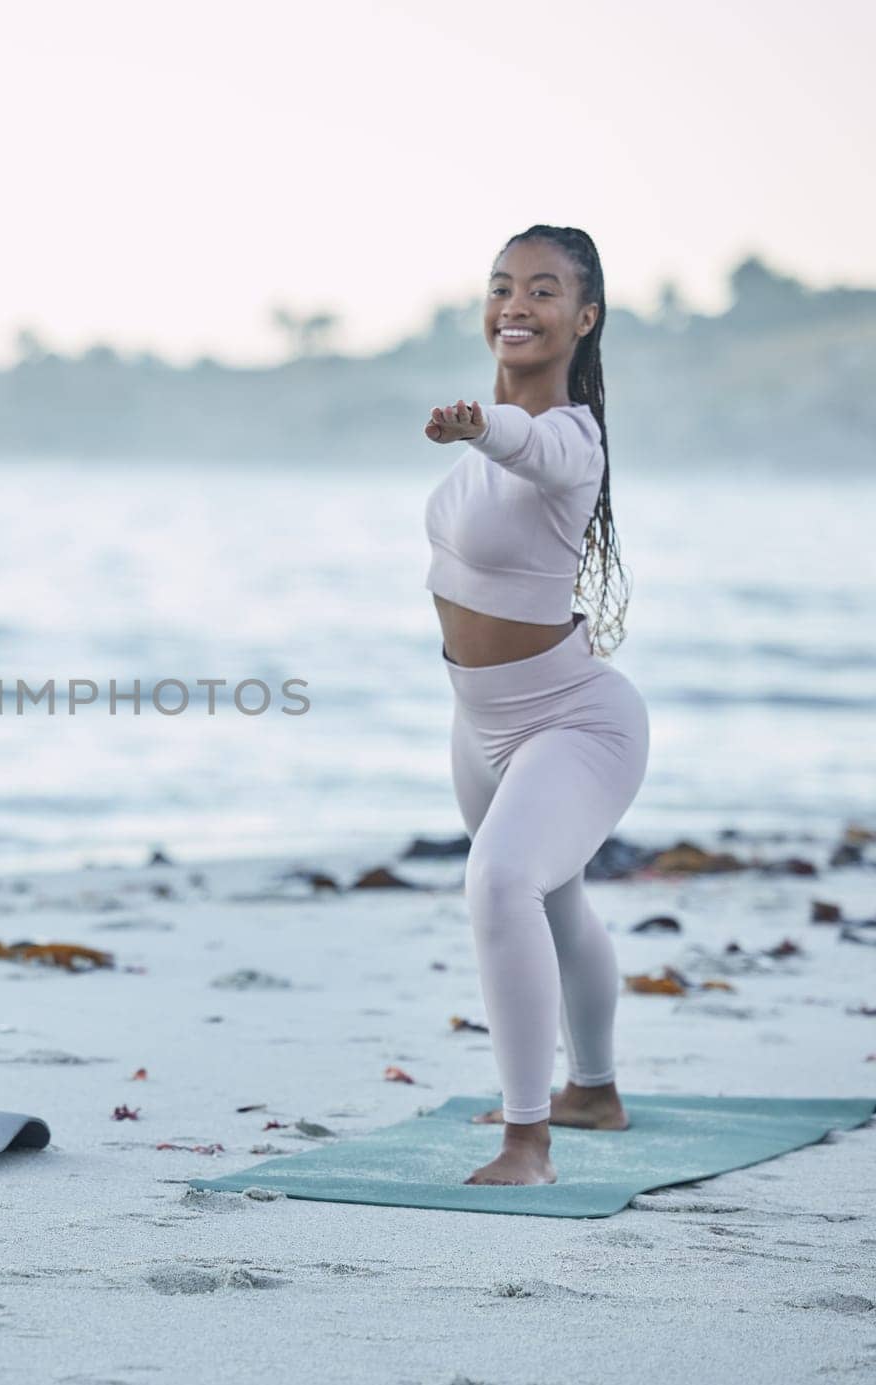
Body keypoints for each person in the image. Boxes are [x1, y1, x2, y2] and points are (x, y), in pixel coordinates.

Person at [422, 225, 650, 1186]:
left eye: (544, 291)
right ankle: (590, 1089)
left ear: (584, 318)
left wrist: (483, 426)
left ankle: (529, 1141)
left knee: (497, 885)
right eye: (502, 285)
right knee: (552, 901)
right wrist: (477, 437)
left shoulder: (570, 438)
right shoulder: (483, 456)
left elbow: (529, 443)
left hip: (573, 723)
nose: (516, 303)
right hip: (481, 723)